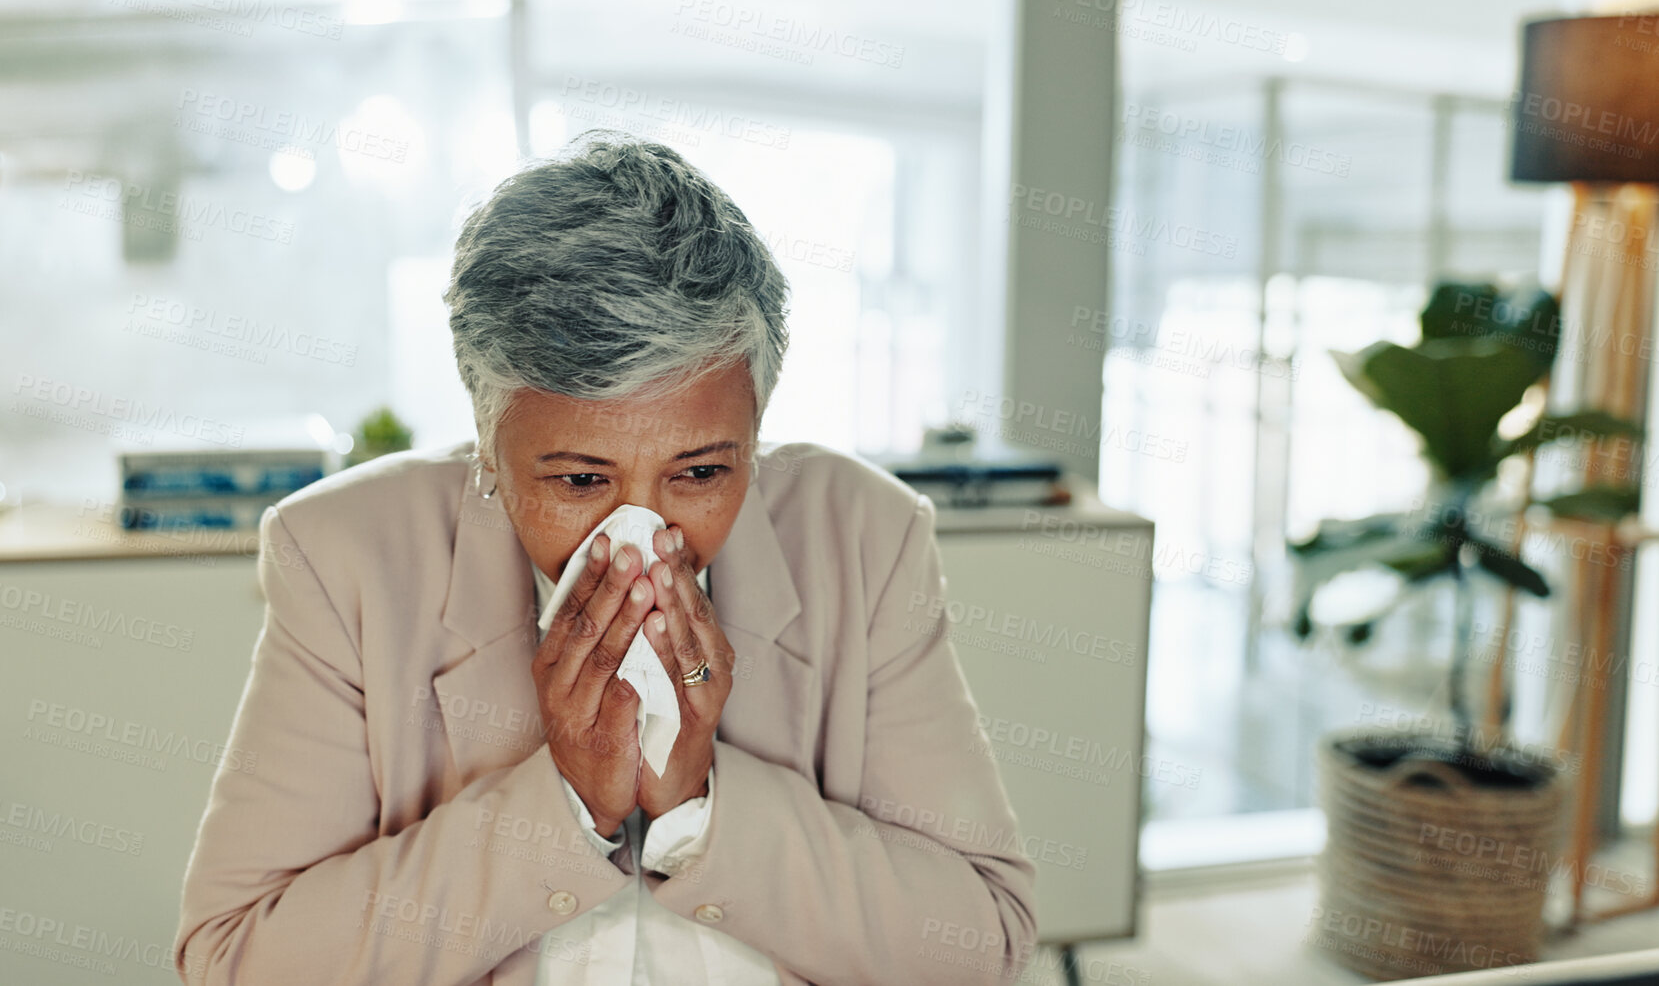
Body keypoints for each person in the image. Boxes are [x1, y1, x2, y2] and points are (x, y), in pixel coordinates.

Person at [174, 130, 1038, 985]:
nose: (643, 539)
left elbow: (981, 944)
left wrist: (702, 805)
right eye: (582, 478)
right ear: (487, 443)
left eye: (700, 471)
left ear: (756, 430)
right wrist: (564, 805)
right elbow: (239, 957)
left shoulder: (865, 536)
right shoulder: (345, 556)